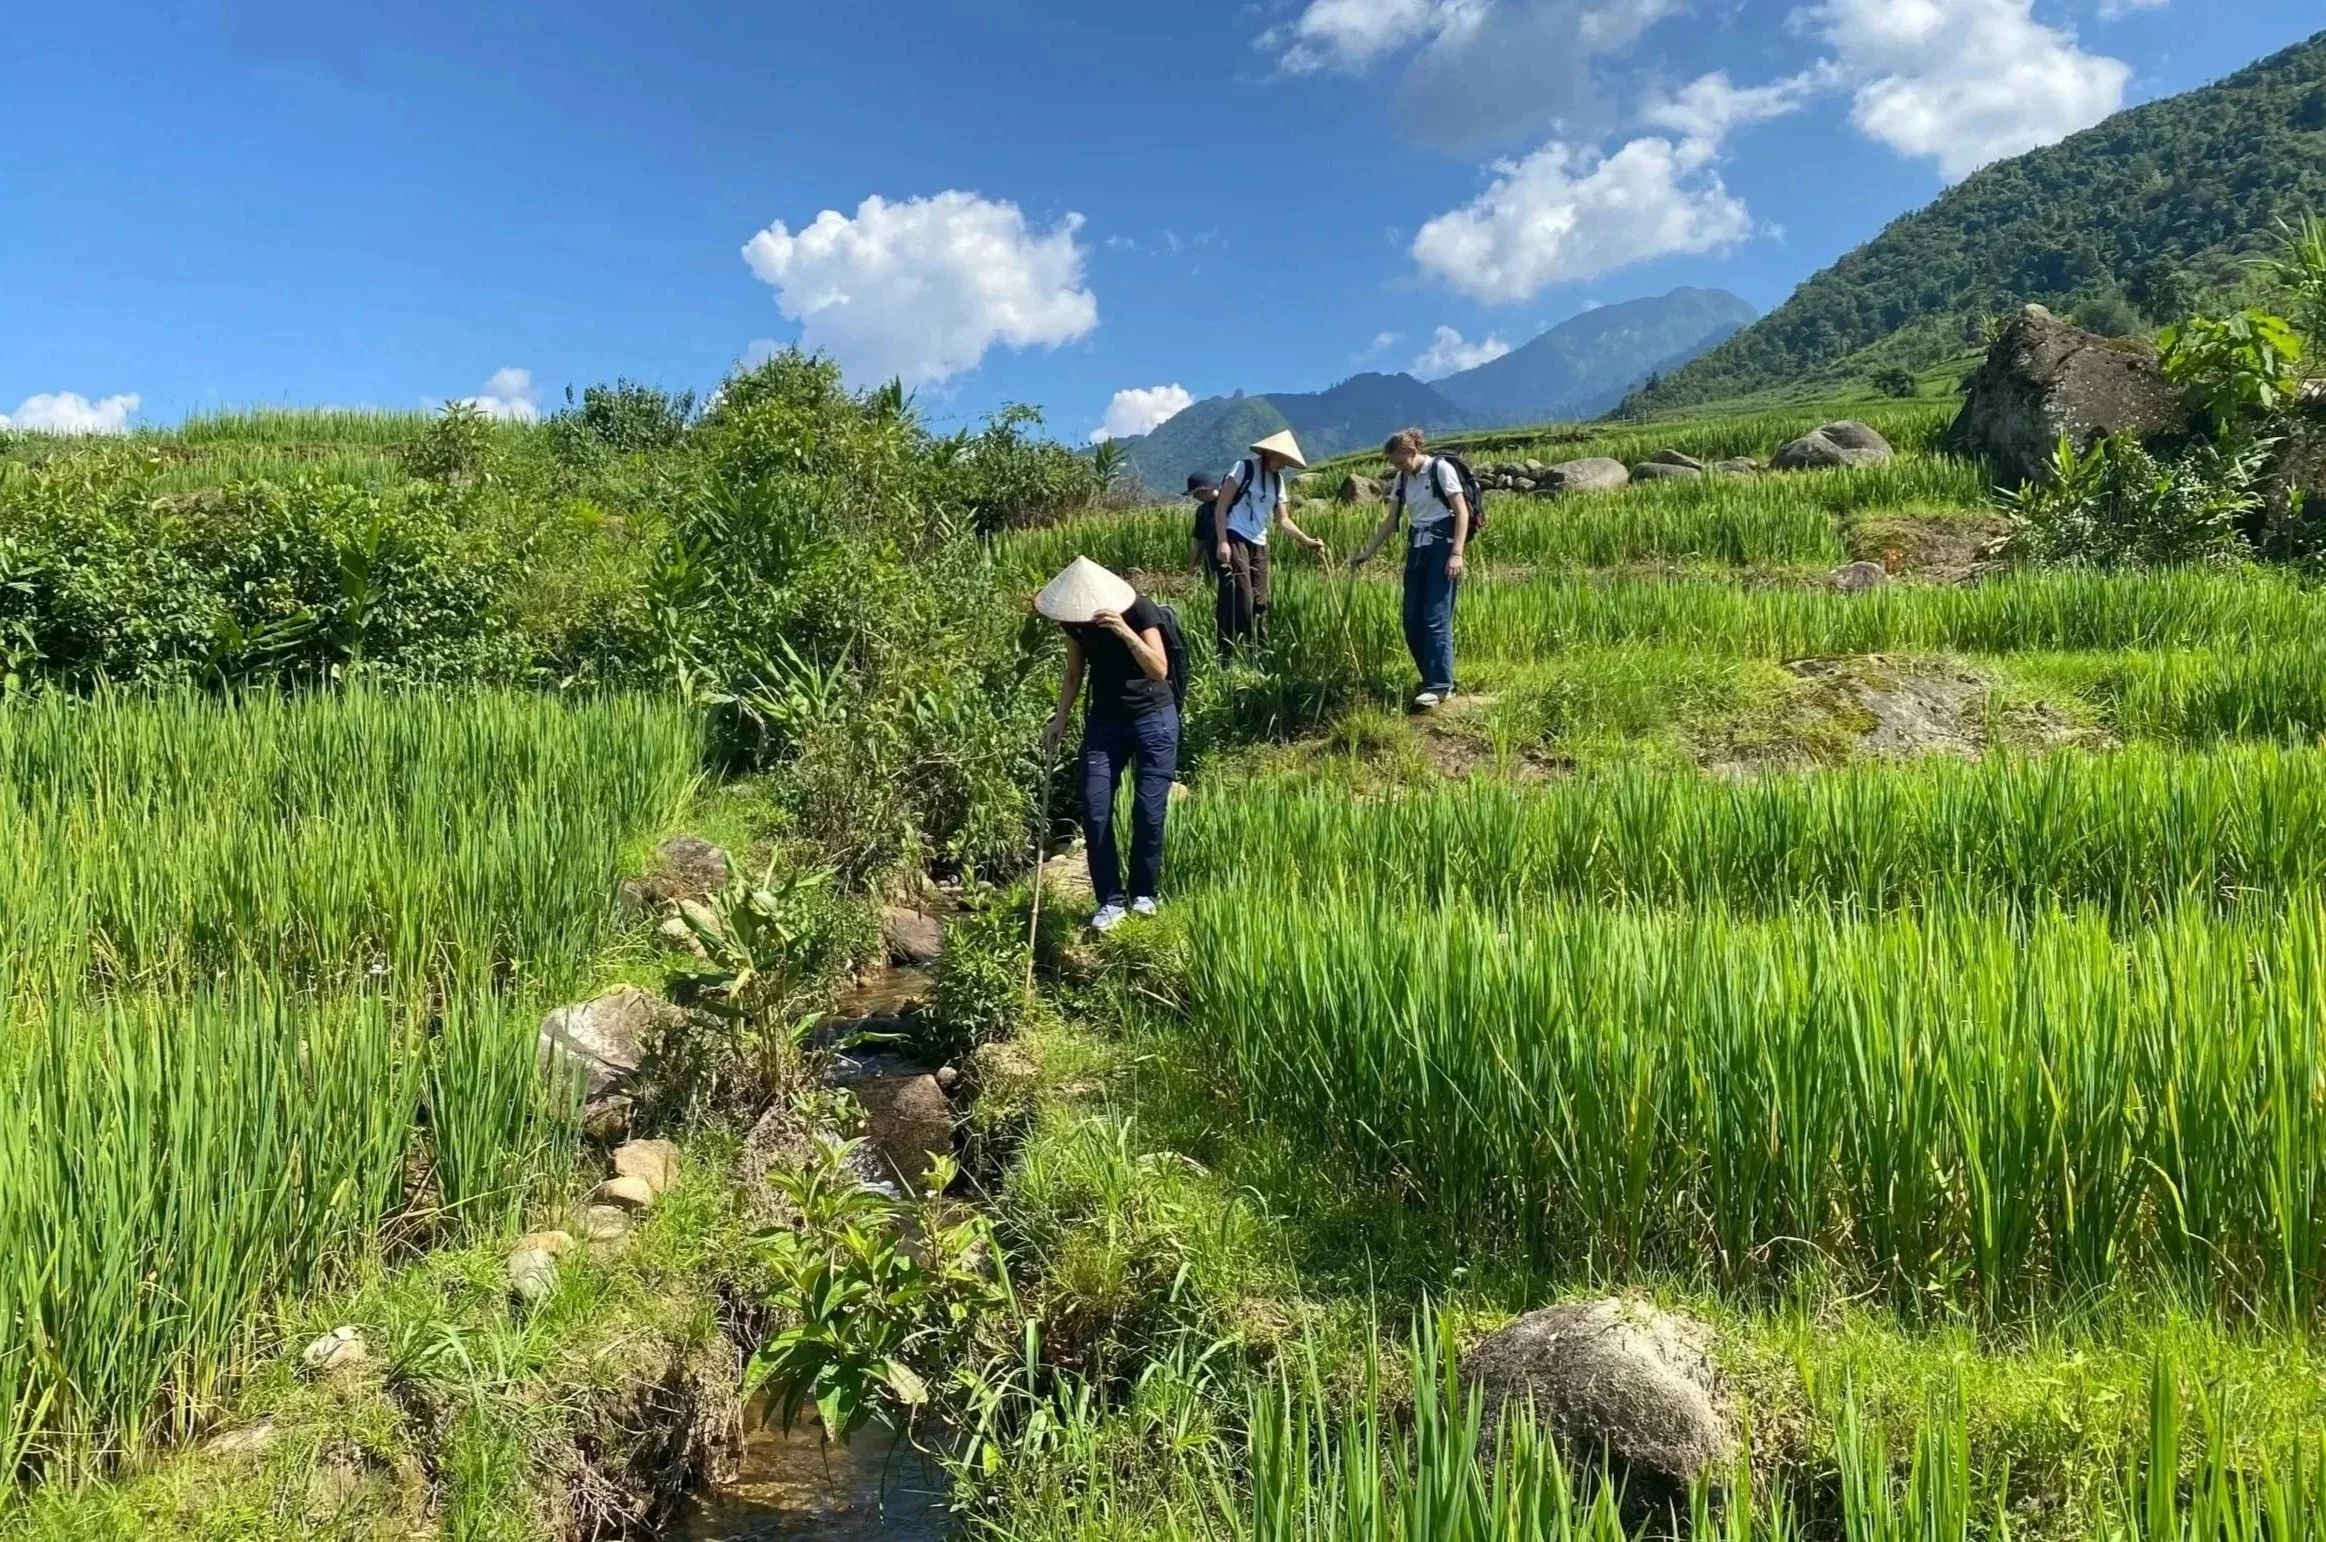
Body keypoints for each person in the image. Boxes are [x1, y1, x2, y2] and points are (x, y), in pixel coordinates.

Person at [1038, 557, 1178, 932]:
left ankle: (1144, 894)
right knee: (1095, 808)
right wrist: (1060, 718)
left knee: (1148, 811)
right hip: (1104, 722)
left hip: (1154, 717)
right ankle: (1110, 901)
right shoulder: (1074, 622)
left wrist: (1124, 632)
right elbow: (1073, 673)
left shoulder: (1139, 608)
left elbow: (1159, 669)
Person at [1352, 427, 1469, 711]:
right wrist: (1367, 553)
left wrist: (1457, 553)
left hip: (1443, 546)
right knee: (1411, 618)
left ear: (1411, 451)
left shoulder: (1439, 470)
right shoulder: (1402, 480)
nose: (1397, 467)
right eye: (1394, 464)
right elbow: (1391, 521)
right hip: (1417, 548)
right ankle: (1429, 678)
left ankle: (1441, 686)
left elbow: (1462, 511)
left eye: (1399, 461)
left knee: (1435, 616)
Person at [1212, 431, 1328, 654]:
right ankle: (1230, 651)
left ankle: (1258, 651)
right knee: (1241, 597)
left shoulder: (1277, 481)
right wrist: (1222, 541)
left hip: (1260, 541)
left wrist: (1306, 540)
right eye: (1282, 460)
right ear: (1269, 453)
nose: (1284, 465)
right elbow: (1221, 506)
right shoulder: (1243, 468)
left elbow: (1283, 520)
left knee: (1260, 601)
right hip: (1236, 535)